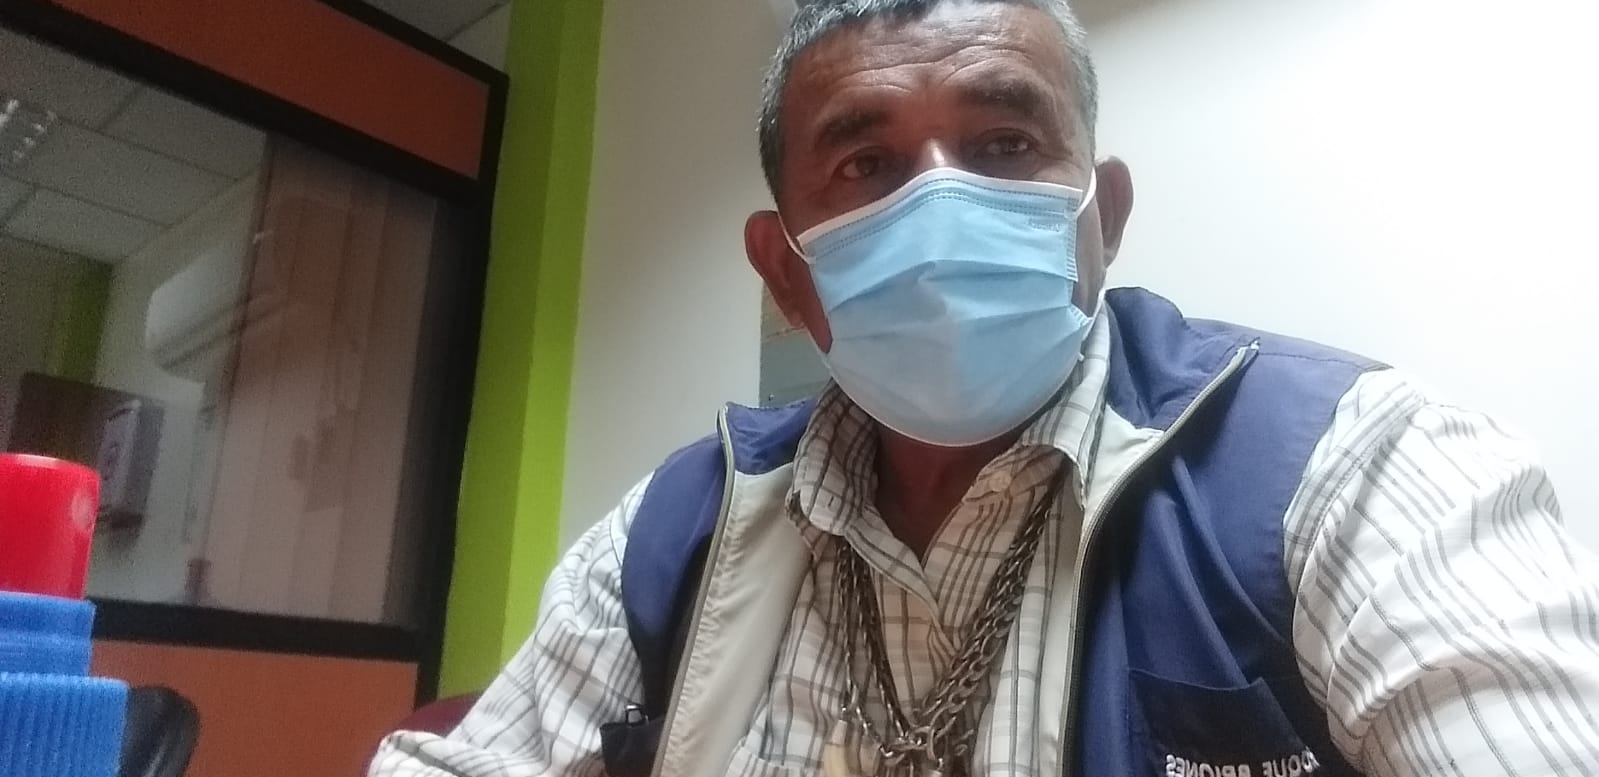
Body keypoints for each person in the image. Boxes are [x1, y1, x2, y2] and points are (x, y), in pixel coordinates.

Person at [370, 1, 1599, 775]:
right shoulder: (671, 537)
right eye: (866, 162)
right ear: (787, 276)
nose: (942, 203)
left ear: (1101, 222)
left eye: (1006, 143)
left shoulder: (1360, 467)